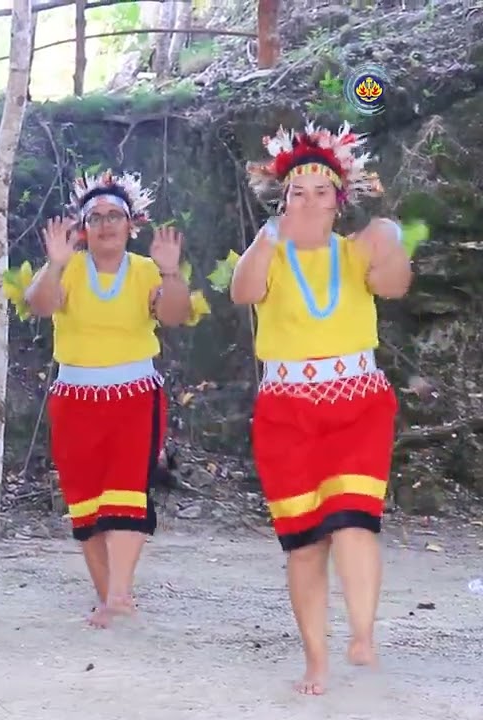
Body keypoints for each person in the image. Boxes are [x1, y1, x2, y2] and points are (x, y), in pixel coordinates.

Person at [231, 121, 409, 695]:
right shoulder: (271, 252)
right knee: (306, 542)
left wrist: (393, 243)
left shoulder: (358, 251)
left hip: (357, 402)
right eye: (296, 194)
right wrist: (269, 236)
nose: (308, 203)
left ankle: (362, 635)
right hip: (286, 410)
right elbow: (243, 292)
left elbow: (395, 284)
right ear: (282, 202)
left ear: (340, 202)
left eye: (321, 192)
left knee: (354, 519)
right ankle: (316, 659)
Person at [22, 169, 192, 628]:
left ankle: (118, 594)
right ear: (81, 229)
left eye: (114, 215)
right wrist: (55, 262)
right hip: (74, 398)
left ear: (131, 223)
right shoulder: (70, 269)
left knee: (126, 490)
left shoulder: (144, 270)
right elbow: (39, 305)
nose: (105, 224)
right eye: (94, 217)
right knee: (85, 498)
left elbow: (176, 315)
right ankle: (109, 595)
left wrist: (171, 271)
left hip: (134, 397)